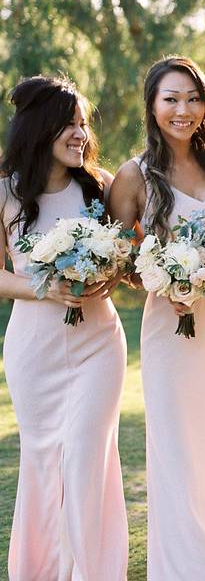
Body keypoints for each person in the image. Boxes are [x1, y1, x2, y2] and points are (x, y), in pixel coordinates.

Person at [109, 56, 205, 579]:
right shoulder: (134, 176)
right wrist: (161, 283)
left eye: (193, 98)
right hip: (169, 326)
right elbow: (118, 259)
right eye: (171, 98)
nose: (183, 109)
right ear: (152, 105)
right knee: (178, 447)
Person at [1, 75, 128, 580]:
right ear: (40, 129)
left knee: (86, 455)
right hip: (34, 347)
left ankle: (94, 572)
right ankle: (41, 571)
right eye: (68, 125)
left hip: (99, 342)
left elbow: (128, 257)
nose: (80, 134)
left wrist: (111, 273)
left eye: (82, 124)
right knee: (42, 455)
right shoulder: (6, 191)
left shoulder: (101, 185)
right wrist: (41, 288)